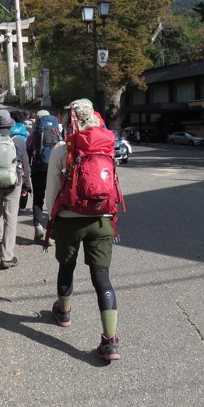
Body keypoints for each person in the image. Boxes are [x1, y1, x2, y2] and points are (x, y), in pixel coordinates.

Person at [44, 98, 122, 361]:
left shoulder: (62, 148)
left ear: (71, 120)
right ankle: (110, 341)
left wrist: (50, 218)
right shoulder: (107, 146)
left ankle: (64, 313)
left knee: (67, 267)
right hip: (102, 218)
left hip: (68, 218)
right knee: (102, 277)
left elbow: (52, 190)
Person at [0, 110, 32, 269]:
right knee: (11, 218)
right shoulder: (18, 141)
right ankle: (7, 257)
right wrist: (26, 186)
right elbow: (26, 166)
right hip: (14, 182)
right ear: (10, 124)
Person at [25, 109, 56, 242]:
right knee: (53, 200)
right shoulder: (56, 133)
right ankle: (51, 230)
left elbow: (28, 154)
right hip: (54, 171)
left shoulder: (33, 135)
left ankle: (38, 225)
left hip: (38, 170)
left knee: (38, 199)